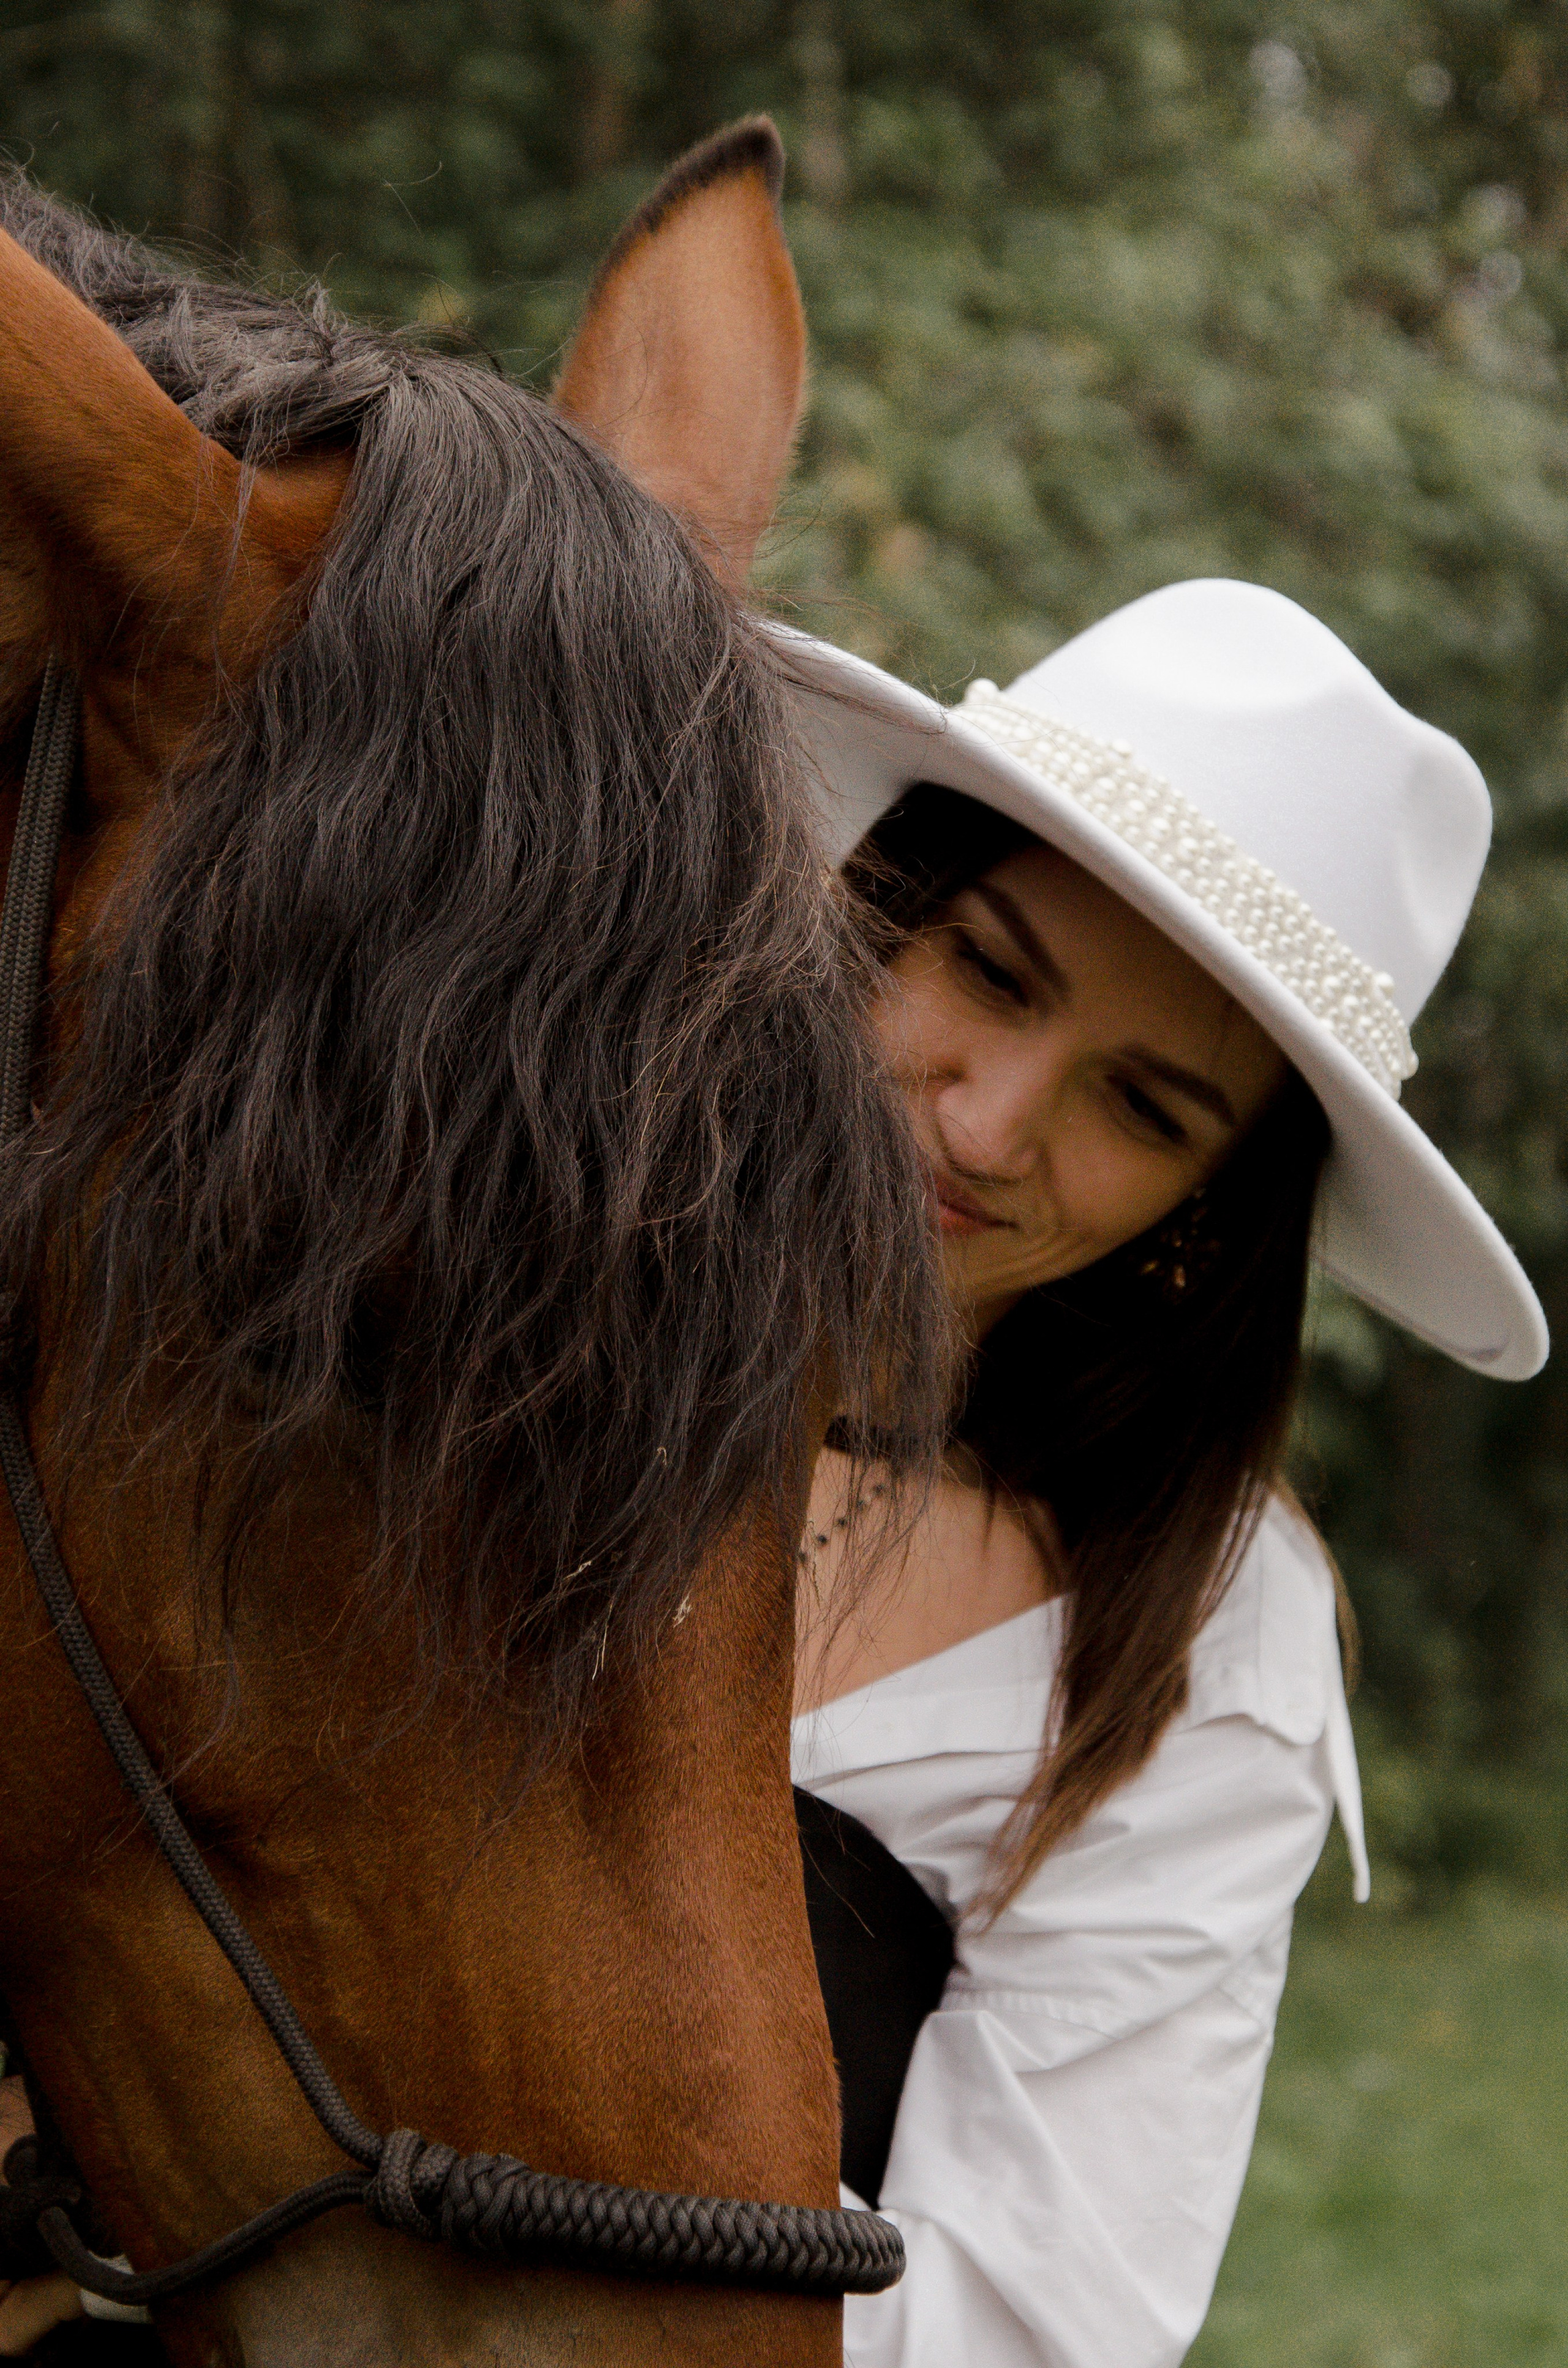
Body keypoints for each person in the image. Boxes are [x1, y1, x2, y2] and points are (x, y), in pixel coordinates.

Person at [786, 578, 1547, 2368]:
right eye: (989, 969)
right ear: (876, 904)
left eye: (1144, 1106)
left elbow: (1022, 2323)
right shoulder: (452, 1275)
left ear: (1216, 1202)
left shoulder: (1195, 1629)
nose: (988, 1124)